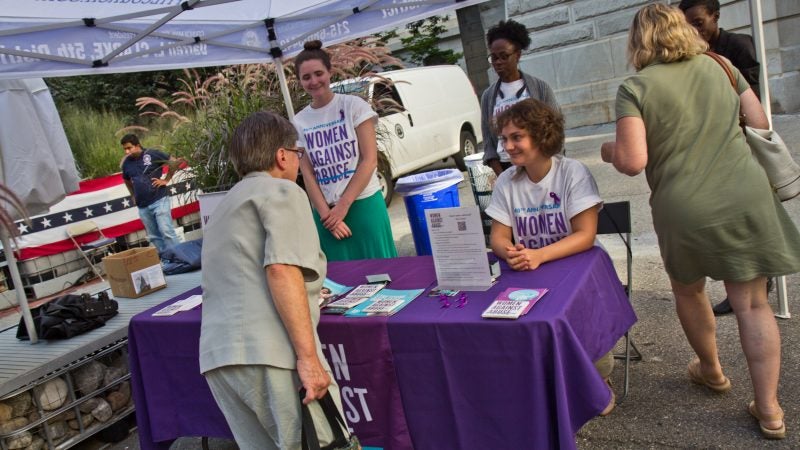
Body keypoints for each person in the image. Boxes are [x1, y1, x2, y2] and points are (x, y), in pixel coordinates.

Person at [600, 4, 800, 439]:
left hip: (682, 206)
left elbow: (633, 162)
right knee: (752, 304)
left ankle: (711, 371)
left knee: (689, 290)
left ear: (639, 40)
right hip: (744, 195)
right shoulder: (721, 65)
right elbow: (760, 123)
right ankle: (769, 410)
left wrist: (608, 151)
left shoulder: (635, 87)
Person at [199, 111, 344, 449]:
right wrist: (309, 359)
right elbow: (281, 269)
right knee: (323, 440)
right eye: (298, 153)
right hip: (271, 353)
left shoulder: (223, 206)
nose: (298, 161)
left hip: (220, 359)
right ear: (282, 155)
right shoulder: (283, 191)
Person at [484, 98, 615, 416]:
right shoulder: (506, 181)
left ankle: (598, 379)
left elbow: (585, 235)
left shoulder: (572, 172)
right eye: (504, 139)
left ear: (542, 136)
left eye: (517, 137)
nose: (508, 146)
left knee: (581, 315)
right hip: (531, 267)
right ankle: (541, 380)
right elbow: (498, 237)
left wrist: (539, 255)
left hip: (576, 266)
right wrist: (510, 252)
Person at [679, 0, 766, 315]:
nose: (692, 29)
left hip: (740, 146)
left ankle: (753, 284)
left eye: (698, 22)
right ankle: (744, 285)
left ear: (715, 17)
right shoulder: (690, 54)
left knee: (744, 220)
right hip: (710, 149)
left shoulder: (737, 47)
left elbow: (755, 99)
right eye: (686, 23)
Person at [292, 40, 397, 261]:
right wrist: (326, 216)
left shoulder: (354, 106)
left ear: (330, 72)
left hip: (364, 204)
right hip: (327, 217)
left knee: (383, 274)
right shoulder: (299, 121)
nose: (314, 81)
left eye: (319, 73)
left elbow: (369, 160)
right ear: (299, 80)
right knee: (339, 286)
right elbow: (307, 173)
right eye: (306, 77)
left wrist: (342, 206)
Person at [481, 20, 560, 176]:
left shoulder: (540, 88)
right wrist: (503, 176)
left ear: (517, 55)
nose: (498, 62)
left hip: (539, 166)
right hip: (506, 168)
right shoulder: (488, 96)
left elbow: (556, 132)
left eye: (504, 56)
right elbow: (489, 144)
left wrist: (547, 171)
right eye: (494, 58)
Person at [679, 0, 760, 97]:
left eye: (699, 24)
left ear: (716, 17)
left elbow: (753, 91)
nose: (694, 31)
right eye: (688, 27)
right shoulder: (690, 52)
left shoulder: (739, 44)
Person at [120, 134, 181, 255]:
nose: (127, 151)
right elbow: (126, 180)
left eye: (129, 148)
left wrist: (166, 180)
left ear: (137, 145)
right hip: (142, 205)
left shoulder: (152, 154)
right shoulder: (126, 163)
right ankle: (167, 259)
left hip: (159, 199)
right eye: (124, 149)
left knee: (166, 231)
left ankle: (182, 257)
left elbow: (174, 162)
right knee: (154, 236)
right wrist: (132, 195)